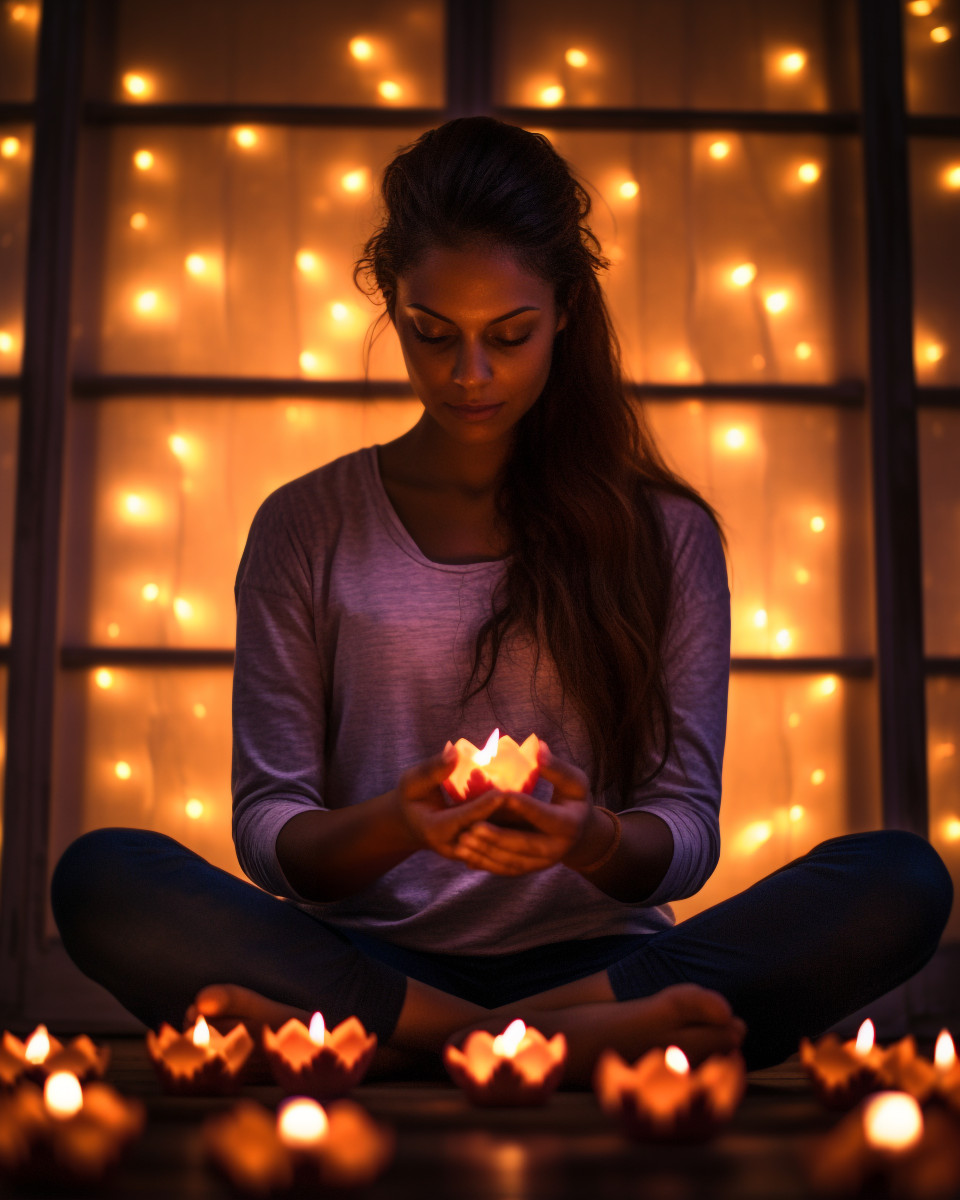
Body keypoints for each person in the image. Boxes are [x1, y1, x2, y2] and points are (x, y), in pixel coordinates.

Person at [52, 117, 952, 1085]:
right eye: (432, 334)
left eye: (508, 337)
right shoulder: (305, 525)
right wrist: (398, 821)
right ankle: (515, 1043)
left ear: (565, 311)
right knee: (106, 878)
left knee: (898, 881)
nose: (468, 375)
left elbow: (684, 835)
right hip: (366, 963)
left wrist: (592, 837)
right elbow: (274, 828)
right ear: (392, 307)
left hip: (608, 968)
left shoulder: (665, 535)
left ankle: (425, 1047)